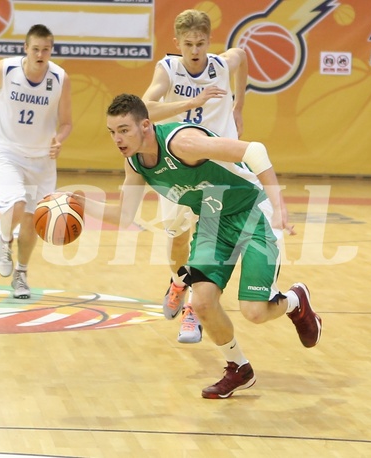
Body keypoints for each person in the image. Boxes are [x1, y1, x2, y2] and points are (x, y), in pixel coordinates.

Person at [72, 94, 322, 399]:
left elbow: (255, 150)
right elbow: (125, 215)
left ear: (146, 125)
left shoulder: (183, 144)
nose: (118, 139)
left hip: (253, 210)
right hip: (213, 219)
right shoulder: (136, 162)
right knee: (202, 303)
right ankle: (239, 368)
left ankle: (295, 301)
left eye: (124, 130)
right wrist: (80, 204)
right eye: (112, 132)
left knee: (254, 313)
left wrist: (280, 206)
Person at [141, 9, 248, 344]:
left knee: (208, 244)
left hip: (215, 170)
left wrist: (239, 106)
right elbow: (145, 108)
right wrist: (192, 101)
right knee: (177, 240)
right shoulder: (168, 69)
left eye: (201, 42)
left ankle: (192, 312)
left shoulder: (220, 64)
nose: (195, 49)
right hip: (174, 167)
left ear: (209, 41)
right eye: (188, 44)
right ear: (177, 43)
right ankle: (177, 281)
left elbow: (241, 56)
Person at [0, 24, 72, 299]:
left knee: (32, 221)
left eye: (46, 50)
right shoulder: (4, 70)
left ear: (51, 50)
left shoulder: (60, 78)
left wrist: (59, 139)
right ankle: (4, 241)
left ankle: (21, 275)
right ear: (25, 49)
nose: (40, 55)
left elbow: (66, 123)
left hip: (42, 159)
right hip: (7, 151)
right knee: (16, 203)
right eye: (36, 49)